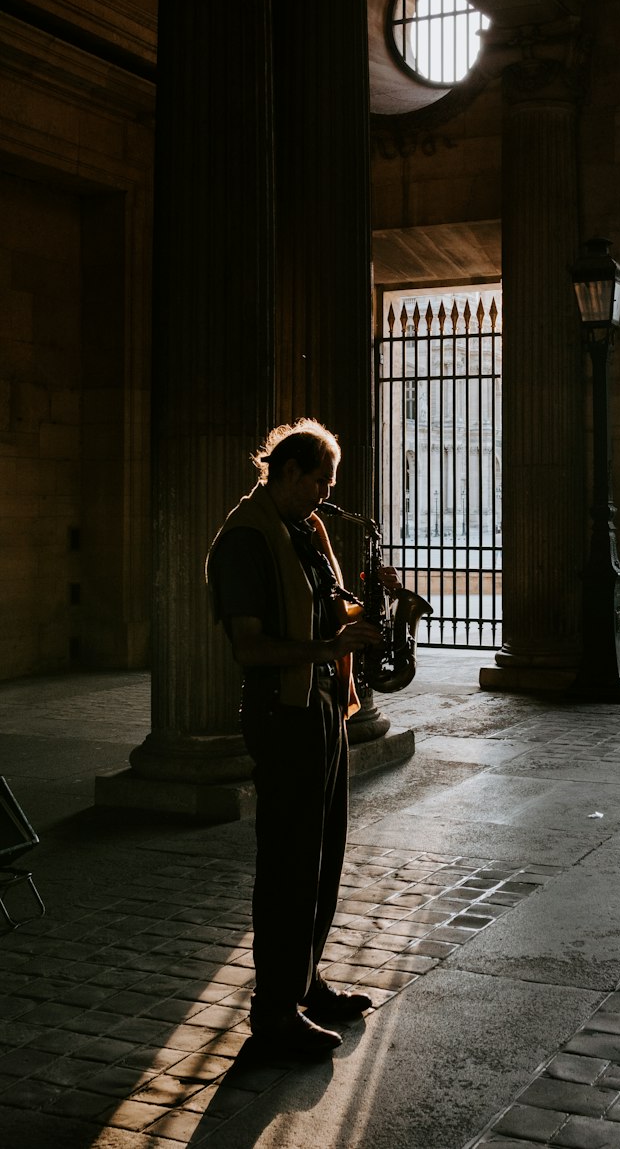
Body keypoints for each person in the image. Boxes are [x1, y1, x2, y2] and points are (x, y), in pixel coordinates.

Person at [206, 420, 385, 1060]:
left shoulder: (304, 532)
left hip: (323, 709)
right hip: (282, 717)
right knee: (287, 865)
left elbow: (326, 610)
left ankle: (305, 982)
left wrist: (371, 610)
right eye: (318, 480)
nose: (324, 494)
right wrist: (327, 648)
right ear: (285, 472)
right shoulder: (244, 542)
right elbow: (251, 647)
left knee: (323, 855)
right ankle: (274, 1012)